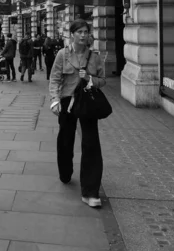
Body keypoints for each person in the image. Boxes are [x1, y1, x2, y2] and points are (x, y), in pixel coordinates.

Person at [49, 19, 106, 208]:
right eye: (79, 32)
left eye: (86, 32)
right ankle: (65, 171)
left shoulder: (95, 57)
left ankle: (90, 191)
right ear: (72, 34)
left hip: (87, 102)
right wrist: (55, 100)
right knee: (66, 140)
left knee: (91, 144)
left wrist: (90, 78)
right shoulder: (62, 54)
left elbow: (102, 80)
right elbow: (55, 78)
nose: (83, 35)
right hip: (67, 102)